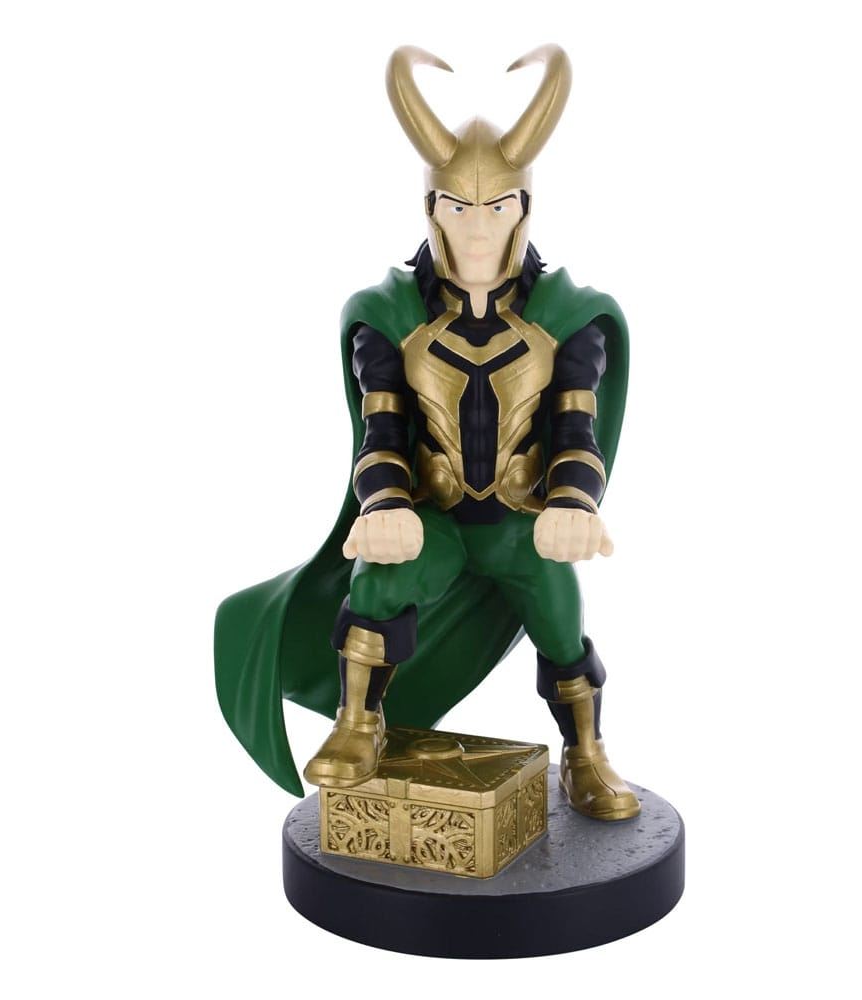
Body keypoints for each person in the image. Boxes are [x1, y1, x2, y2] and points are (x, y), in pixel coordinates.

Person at [215, 44, 639, 821]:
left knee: (562, 624)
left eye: (496, 208)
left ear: (523, 207)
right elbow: (381, 429)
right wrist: (383, 505)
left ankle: (586, 750)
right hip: (434, 520)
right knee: (377, 580)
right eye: (458, 208)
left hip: (517, 525)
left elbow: (576, 427)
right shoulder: (390, 314)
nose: (477, 230)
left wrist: (574, 501)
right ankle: (358, 722)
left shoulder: (566, 317)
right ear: (432, 208)